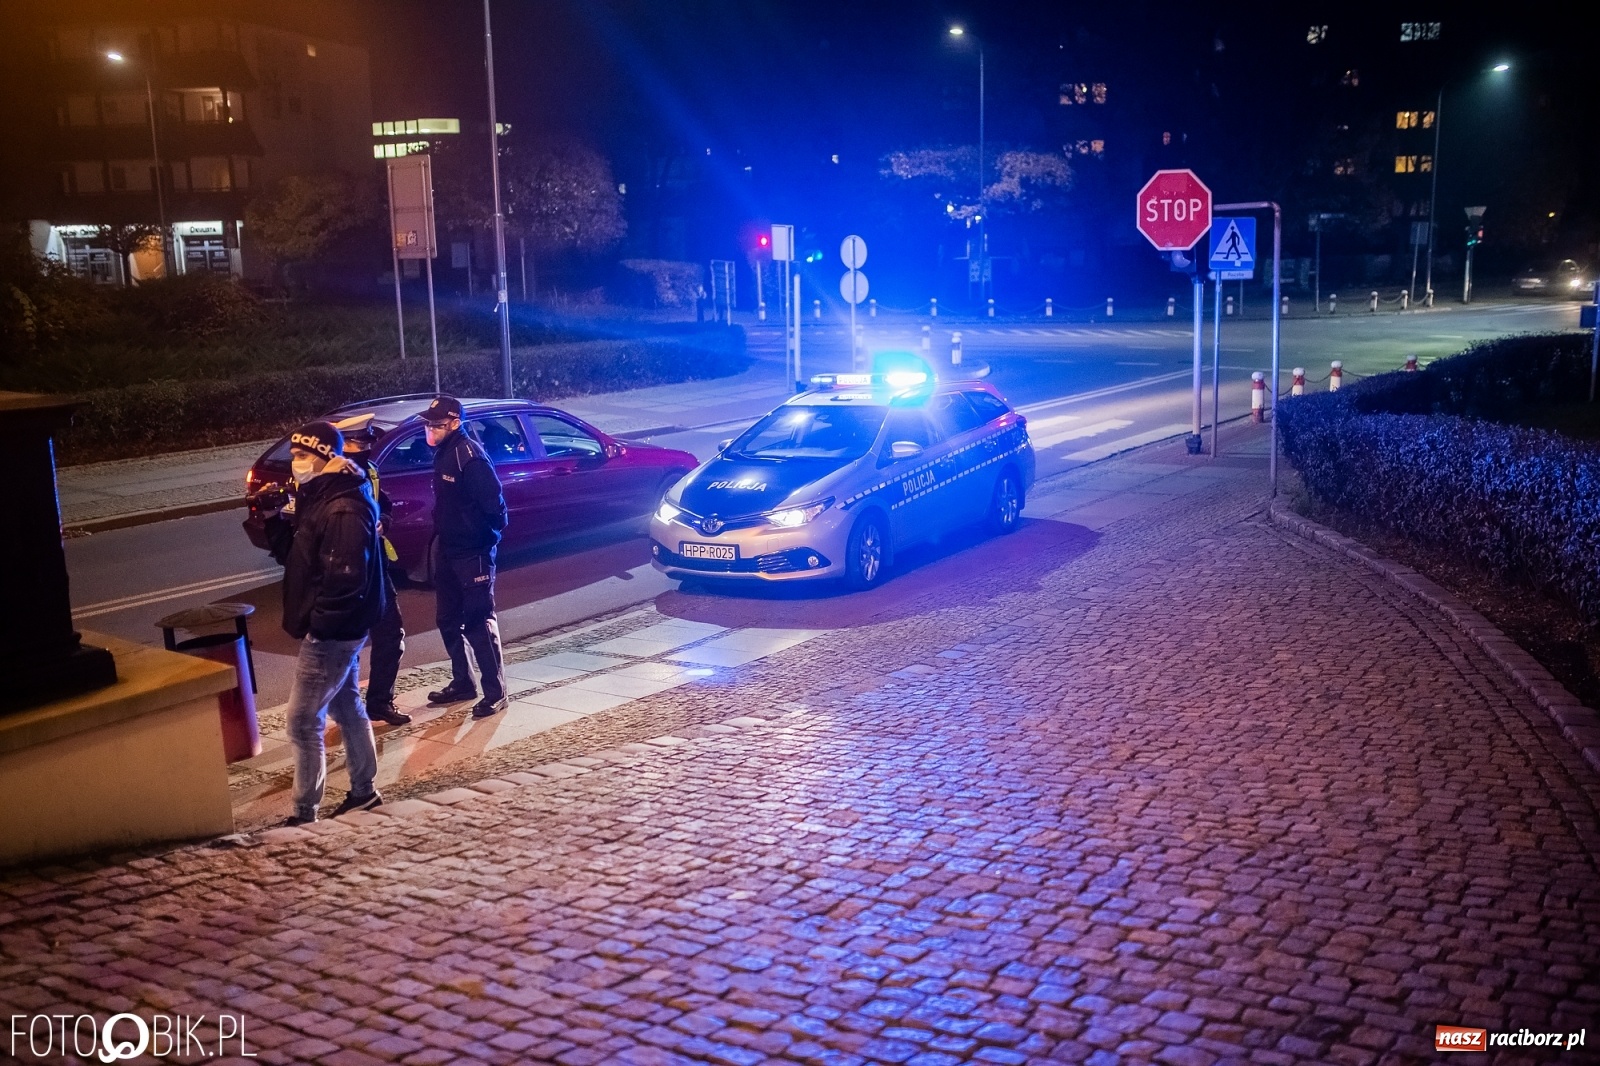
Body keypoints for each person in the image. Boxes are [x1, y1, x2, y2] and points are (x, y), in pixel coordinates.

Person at [259, 420, 387, 825]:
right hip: (336, 630)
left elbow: (345, 578)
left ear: (325, 457)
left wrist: (319, 627)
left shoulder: (344, 505)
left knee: (301, 721)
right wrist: (271, 519)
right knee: (346, 704)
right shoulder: (321, 495)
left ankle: (303, 812)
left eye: (301, 456)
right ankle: (364, 792)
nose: (295, 464)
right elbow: (298, 556)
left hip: (332, 633)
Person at [421, 396, 509, 719]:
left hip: (473, 553)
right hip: (449, 549)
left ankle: (495, 692)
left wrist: (484, 539)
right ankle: (463, 681)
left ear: (455, 423)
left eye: (436, 425)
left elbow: (495, 505)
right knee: (447, 619)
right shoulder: (443, 453)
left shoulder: (468, 456)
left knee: (478, 622)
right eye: (428, 424)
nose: (430, 430)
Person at [333, 414, 411, 727]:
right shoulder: (334, 477)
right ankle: (341, 706)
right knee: (345, 643)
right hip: (349, 572)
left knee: (391, 634)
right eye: (358, 443)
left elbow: (385, 505)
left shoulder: (369, 470)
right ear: (345, 445)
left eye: (366, 442)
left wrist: (385, 522)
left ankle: (379, 702)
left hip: (376, 567)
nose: (365, 448)